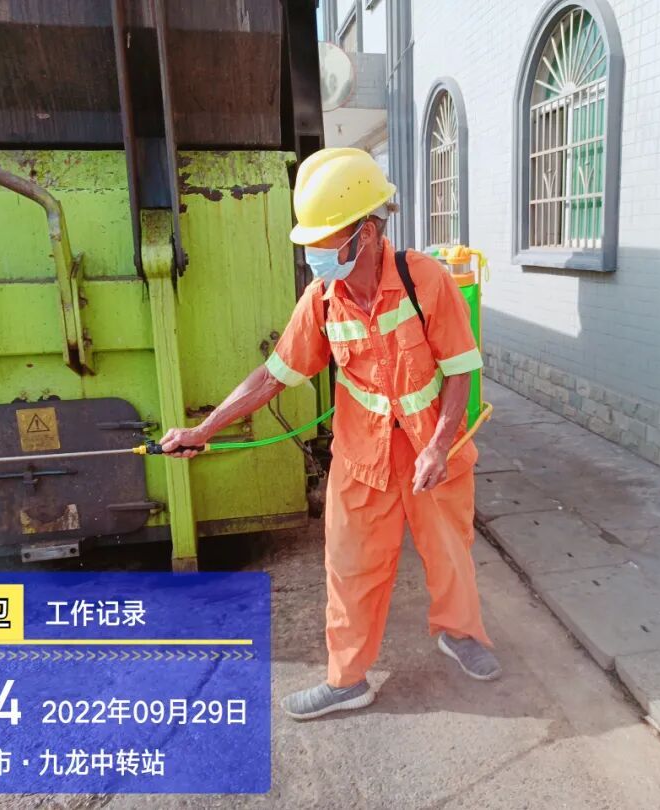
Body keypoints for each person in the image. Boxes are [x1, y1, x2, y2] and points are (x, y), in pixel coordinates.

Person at [159, 147, 500, 720]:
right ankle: (347, 680)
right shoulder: (321, 300)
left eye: (323, 241)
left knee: (450, 554)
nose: (313, 254)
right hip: (362, 461)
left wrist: (440, 446)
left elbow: (461, 369)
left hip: (432, 453)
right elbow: (273, 375)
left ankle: (460, 633)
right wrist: (205, 427)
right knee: (349, 568)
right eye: (310, 242)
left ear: (366, 233)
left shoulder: (425, 280)